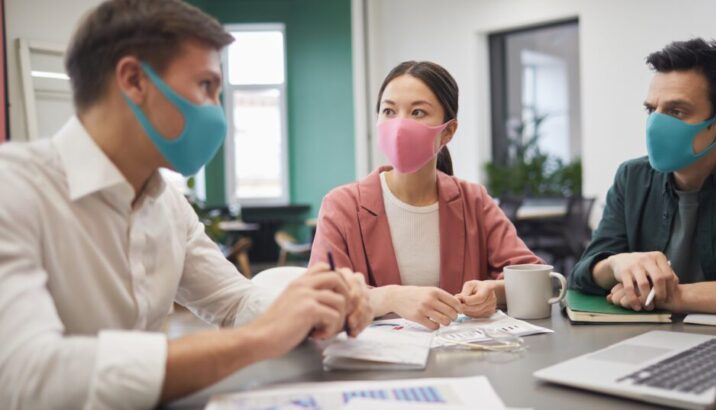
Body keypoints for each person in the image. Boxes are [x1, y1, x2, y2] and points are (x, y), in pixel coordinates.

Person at [0, 1, 373, 408]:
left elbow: (233, 302)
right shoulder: (15, 189)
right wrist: (260, 338)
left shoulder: (169, 207)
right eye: (206, 87)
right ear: (134, 79)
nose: (217, 110)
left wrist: (308, 307)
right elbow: (26, 377)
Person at [310, 61, 544, 330]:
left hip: (463, 361)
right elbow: (321, 300)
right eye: (389, 110)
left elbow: (534, 276)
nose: (399, 125)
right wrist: (389, 297)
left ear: (448, 131)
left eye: (418, 112)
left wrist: (494, 291)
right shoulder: (341, 206)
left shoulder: (473, 200)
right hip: (379, 366)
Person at [570, 38, 716, 315]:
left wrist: (675, 295)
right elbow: (583, 273)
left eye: (676, 111)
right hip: (642, 340)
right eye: (651, 109)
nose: (656, 124)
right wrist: (615, 264)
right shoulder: (632, 177)